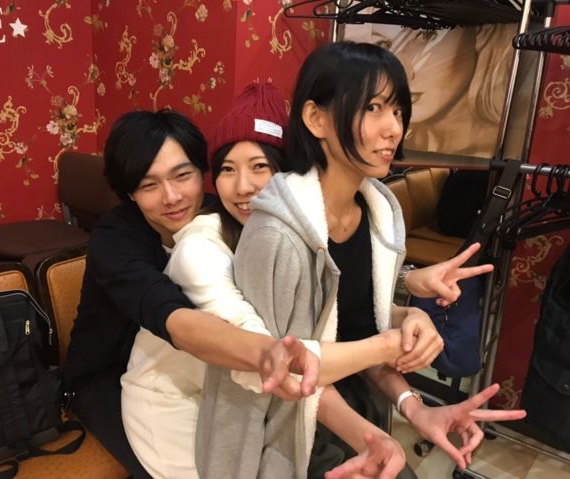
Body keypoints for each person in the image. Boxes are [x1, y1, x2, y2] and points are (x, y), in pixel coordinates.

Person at [196, 42, 526, 479]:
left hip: (348, 407)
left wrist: (415, 406)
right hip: (277, 432)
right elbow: (288, 373)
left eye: (398, 110)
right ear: (316, 119)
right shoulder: (276, 233)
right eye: (373, 108)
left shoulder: (377, 214)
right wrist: (386, 354)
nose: (394, 128)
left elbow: (357, 329)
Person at [122, 83, 440, 479]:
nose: (243, 186)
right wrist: (386, 350)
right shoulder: (199, 250)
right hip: (179, 404)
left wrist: (407, 317)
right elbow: (278, 360)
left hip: (260, 401)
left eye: (260, 166)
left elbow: (333, 318)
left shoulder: (290, 236)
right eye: (227, 169)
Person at [61, 109, 321, 479]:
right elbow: (169, 314)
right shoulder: (114, 241)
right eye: (149, 185)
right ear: (130, 193)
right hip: (107, 380)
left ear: (203, 172)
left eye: (182, 176)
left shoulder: (222, 213)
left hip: (198, 372)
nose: (172, 197)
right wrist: (266, 351)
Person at [346, 23, 516, 157]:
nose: (402, 73)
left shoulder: (505, 153)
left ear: (482, 36)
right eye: (383, 45)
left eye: (427, 35)